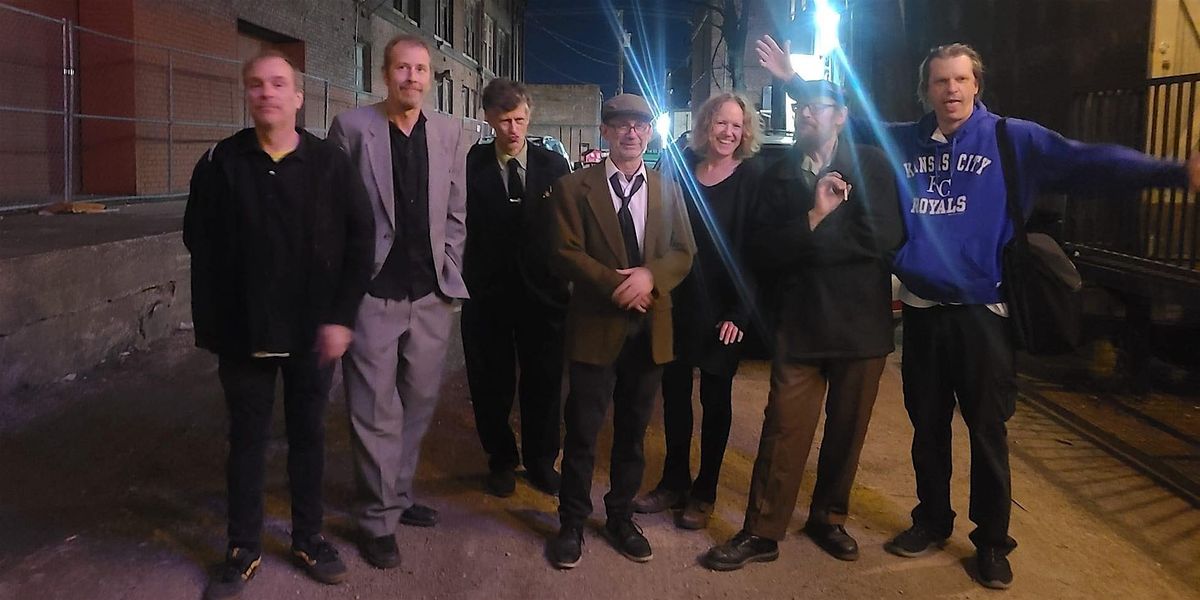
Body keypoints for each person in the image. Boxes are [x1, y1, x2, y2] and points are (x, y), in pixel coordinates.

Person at [184, 50, 374, 599]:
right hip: (244, 332)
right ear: (248, 95)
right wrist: (219, 319)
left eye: (278, 83)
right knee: (246, 440)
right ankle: (242, 548)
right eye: (256, 84)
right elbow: (199, 240)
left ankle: (308, 538)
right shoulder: (220, 163)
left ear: (297, 97)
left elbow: (361, 240)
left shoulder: (331, 165)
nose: (266, 92)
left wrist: (341, 317)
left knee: (308, 437)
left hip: (313, 332)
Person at [701, 80, 903, 571]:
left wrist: (804, 244)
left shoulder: (872, 165)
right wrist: (814, 216)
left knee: (847, 432)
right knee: (783, 431)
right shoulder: (779, 174)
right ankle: (762, 530)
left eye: (818, 107)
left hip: (860, 326)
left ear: (841, 115)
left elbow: (883, 236)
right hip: (800, 324)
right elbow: (762, 250)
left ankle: (828, 518)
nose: (807, 114)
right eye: (802, 107)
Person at [327, 34, 469, 570]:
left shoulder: (451, 132)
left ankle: (398, 492)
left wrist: (449, 264)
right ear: (385, 74)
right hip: (373, 292)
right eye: (402, 68)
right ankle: (377, 518)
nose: (412, 77)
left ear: (430, 78)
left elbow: (456, 212)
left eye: (421, 69)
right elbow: (335, 211)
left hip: (430, 293)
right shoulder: (351, 128)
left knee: (419, 401)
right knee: (373, 410)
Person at [545, 93, 695, 569]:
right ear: (605, 131)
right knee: (583, 430)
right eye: (622, 124)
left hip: (650, 329)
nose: (632, 132)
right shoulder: (574, 188)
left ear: (649, 133)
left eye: (640, 125)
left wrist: (650, 277)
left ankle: (620, 516)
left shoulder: (668, 189)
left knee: (633, 433)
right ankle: (571, 522)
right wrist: (617, 286)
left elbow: (683, 251)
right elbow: (564, 252)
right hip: (596, 325)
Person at [632, 92, 763, 529]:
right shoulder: (682, 168)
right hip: (678, 301)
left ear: (745, 131)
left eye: (737, 125)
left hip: (724, 310)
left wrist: (740, 313)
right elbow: (661, 231)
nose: (728, 132)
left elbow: (756, 252)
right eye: (721, 122)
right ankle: (673, 481)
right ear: (706, 125)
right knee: (673, 397)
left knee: (715, 400)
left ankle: (705, 491)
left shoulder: (751, 177)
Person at [462, 78, 571, 498]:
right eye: (505, 120)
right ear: (489, 118)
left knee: (544, 381)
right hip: (487, 294)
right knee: (490, 382)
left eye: (520, 119)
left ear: (529, 116)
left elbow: (567, 227)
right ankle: (501, 459)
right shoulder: (471, 164)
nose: (513, 129)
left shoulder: (553, 166)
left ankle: (542, 461)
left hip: (543, 295)